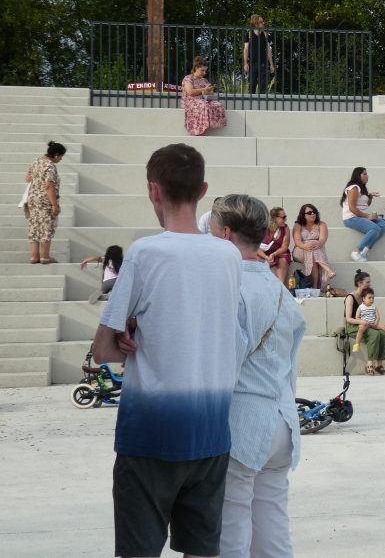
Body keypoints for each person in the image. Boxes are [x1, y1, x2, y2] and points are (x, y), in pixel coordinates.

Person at [92, 143, 243, 558]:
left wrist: (131, 333)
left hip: (151, 437)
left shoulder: (145, 252)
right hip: (212, 435)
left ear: (153, 190)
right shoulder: (229, 255)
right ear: (203, 188)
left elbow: (103, 349)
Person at [211, 195, 305, 558]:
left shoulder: (232, 288)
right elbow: (291, 364)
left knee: (230, 532)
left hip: (242, 418)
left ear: (225, 233)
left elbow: (225, 365)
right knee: (272, 529)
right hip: (282, 416)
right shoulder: (279, 289)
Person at [25, 141, 65, 264]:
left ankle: (34, 257)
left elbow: (27, 178)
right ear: (56, 155)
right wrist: (54, 204)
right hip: (45, 200)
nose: (61, 159)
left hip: (32, 199)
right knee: (46, 227)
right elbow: (49, 185)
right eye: (61, 156)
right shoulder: (50, 166)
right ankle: (45, 257)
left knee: (35, 226)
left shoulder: (36, 162)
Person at [341, 166, 385, 262]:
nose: (367, 176)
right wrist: (368, 216)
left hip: (361, 216)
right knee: (375, 228)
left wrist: (370, 196)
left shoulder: (362, 188)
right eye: (365, 174)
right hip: (351, 217)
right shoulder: (354, 188)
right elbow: (352, 208)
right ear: (358, 176)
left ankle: (365, 251)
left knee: (384, 225)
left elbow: (365, 205)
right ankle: (356, 251)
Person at [347, 286, 385, 375]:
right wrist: (362, 322)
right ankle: (370, 362)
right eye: (367, 282)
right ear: (360, 283)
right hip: (359, 325)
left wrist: (375, 323)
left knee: (382, 333)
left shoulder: (372, 305)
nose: (371, 299)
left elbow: (377, 316)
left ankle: (379, 364)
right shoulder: (351, 298)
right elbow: (351, 318)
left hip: (372, 324)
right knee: (375, 334)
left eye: (372, 298)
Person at [291, 203, 335, 290]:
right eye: (309, 212)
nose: (313, 214)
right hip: (300, 251)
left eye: (314, 212)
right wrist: (305, 246)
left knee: (311, 252)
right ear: (303, 215)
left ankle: (314, 287)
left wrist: (314, 244)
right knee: (310, 248)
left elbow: (322, 240)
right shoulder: (298, 225)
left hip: (316, 249)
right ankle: (327, 270)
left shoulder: (322, 224)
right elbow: (297, 242)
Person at [181, 55, 227, 136]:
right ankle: (199, 131)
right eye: (202, 71)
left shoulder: (205, 80)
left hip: (204, 99)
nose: (204, 73)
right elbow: (190, 92)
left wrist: (208, 91)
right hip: (191, 101)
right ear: (196, 68)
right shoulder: (188, 78)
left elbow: (211, 91)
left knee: (218, 105)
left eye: (205, 71)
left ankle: (212, 124)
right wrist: (203, 90)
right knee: (203, 105)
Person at [257, 206, 292, 284]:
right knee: (254, 258)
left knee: (283, 259)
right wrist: (266, 257)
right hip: (264, 254)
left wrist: (273, 254)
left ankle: (280, 286)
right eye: (283, 217)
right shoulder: (263, 227)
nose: (285, 220)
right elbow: (255, 247)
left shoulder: (285, 228)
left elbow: (284, 247)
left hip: (279, 253)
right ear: (275, 218)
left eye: (285, 217)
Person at [243, 14, 275, 93]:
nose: (263, 23)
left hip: (263, 64)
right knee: (252, 85)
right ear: (255, 23)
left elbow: (268, 49)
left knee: (263, 87)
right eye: (261, 22)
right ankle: (251, 104)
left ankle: (263, 104)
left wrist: (271, 64)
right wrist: (245, 63)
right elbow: (246, 49)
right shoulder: (249, 34)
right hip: (252, 63)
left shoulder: (265, 34)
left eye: (263, 21)